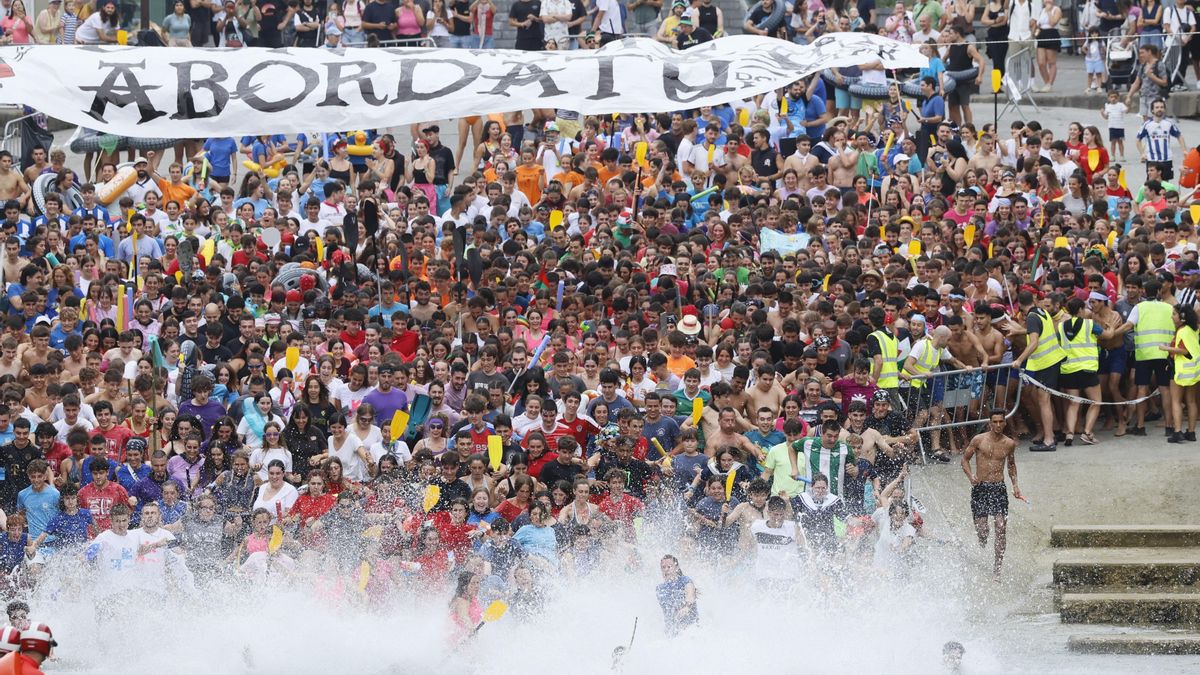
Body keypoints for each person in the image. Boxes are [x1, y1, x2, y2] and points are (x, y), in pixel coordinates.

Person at [961, 410, 1021, 579]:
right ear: (989, 422)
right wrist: (970, 476)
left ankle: (997, 568)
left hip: (998, 488)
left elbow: (1011, 465)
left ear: (1005, 423)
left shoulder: (1009, 443)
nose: (998, 425)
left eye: (1001, 422)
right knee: (983, 530)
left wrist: (1015, 485)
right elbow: (964, 459)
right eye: (994, 422)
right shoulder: (979, 440)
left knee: (1001, 528)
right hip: (981, 488)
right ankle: (982, 538)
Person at [655, 554, 697, 636]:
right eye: (663, 567)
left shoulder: (685, 581)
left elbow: (690, 594)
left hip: (691, 629)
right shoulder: (660, 589)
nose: (666, 570)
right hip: (671, 631)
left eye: (669, 567)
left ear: (676, 568)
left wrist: (687, 607)